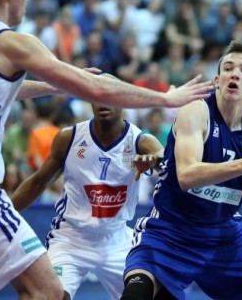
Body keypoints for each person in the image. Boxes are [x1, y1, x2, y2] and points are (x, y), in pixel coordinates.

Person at [0, 0, 211, 300]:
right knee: (47, 292)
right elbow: (100, 89)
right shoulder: (10, 40)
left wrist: (60, 83)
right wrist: (165, 99)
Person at [121, 40, 242, 300]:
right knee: (136, 293)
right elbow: (186, 176)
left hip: (224, 236)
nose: (235, 74)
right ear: (217, 80)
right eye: (229, 68)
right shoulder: (196, 110)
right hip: (171, 231)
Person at [11, 84, 164, 300]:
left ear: (122, 101)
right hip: (72, 237)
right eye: (97, 96)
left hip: (117, 238)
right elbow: (38, 182)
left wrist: (157, 161)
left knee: (153, 294)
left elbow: (165, 163)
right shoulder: (68, 137)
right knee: (47, 295)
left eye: (110, 96)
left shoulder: (141, 141)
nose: (103, 102)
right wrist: (3, 214)